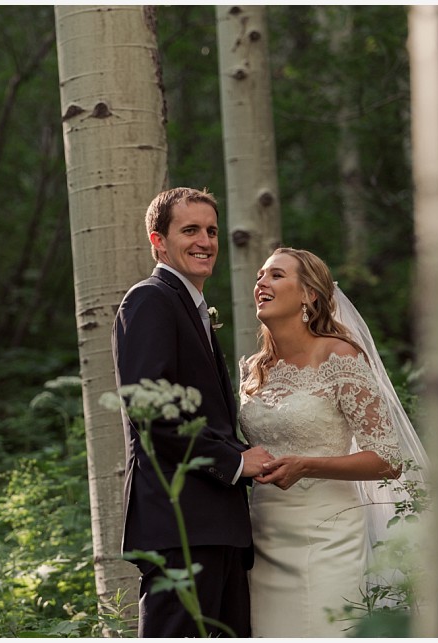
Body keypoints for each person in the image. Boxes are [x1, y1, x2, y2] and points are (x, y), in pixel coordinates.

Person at [239, 247, 430, 637]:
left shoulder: (339, 355)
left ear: (309, 294)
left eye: (276, 275)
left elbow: (388, 458)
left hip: (326, 536)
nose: (261, 282)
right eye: (260, 276)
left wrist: (307, 465)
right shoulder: (255, 368)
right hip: (262, 537)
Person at [112, 187, 274, 638]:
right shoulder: (149, 300)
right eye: (190, 230)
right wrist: (236, 461)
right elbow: (150, 414)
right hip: (179, 527)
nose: (205, 241)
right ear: (157, 240)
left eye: (211, 230)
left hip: (217, 527)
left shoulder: (192, 308)